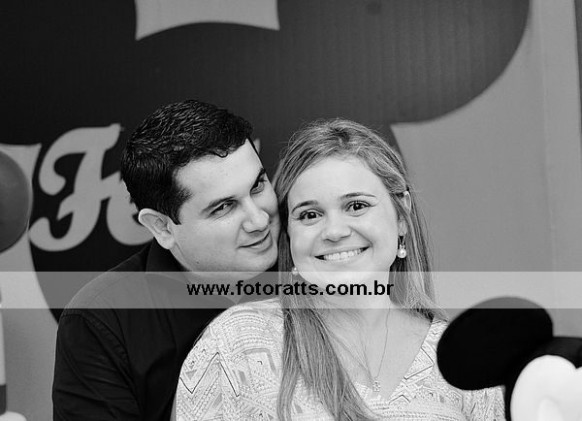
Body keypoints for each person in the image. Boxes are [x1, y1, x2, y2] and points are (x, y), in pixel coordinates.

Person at [175, 119, 505, 420]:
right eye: (310, 215)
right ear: (290, 233)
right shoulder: (236, 343)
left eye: (356, 206)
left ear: (401, 215)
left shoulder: (465, 357)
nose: (334, 231)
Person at [52, 99, 280, 421]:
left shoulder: (315, 267)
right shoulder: (102, 320)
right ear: (162, 227)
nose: (259, 220)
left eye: (257, 185)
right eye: (224, 207)